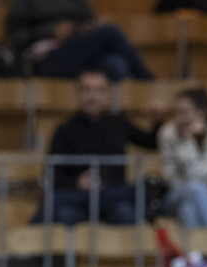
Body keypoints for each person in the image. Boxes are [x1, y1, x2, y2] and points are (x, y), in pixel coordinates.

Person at [37, 72, 161, 225]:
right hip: (77, 198)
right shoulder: (64, 130)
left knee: (127, 214)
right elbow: (53, 174)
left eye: (98, 90)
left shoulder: (118, 123)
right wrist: (78, 182)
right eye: (87, 90)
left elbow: (151, 143)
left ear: (107, 94)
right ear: (78, 93)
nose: (92, 96)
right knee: (64, 216)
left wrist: (157, 122)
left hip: (113, 197)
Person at [7, 0, 156, 80]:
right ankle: (150, 83)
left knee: (116, 64)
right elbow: (17, 36)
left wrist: (75, 30)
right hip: (45, 59)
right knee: (111, 32)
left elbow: (90, 24)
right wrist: (51, 31)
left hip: (76, 51)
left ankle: (111, 119)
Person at [158, 89, 207, 229]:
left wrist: (189, 145)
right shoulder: (167, 134)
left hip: (203, 196)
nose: (178, 118)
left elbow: (203, 176)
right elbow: (170, 176)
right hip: (174, 194)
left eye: (184, 112)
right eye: (176, 112)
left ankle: (197, 251)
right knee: (195, 189)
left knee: (188, 209)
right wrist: (188, 142)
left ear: (201, 113)